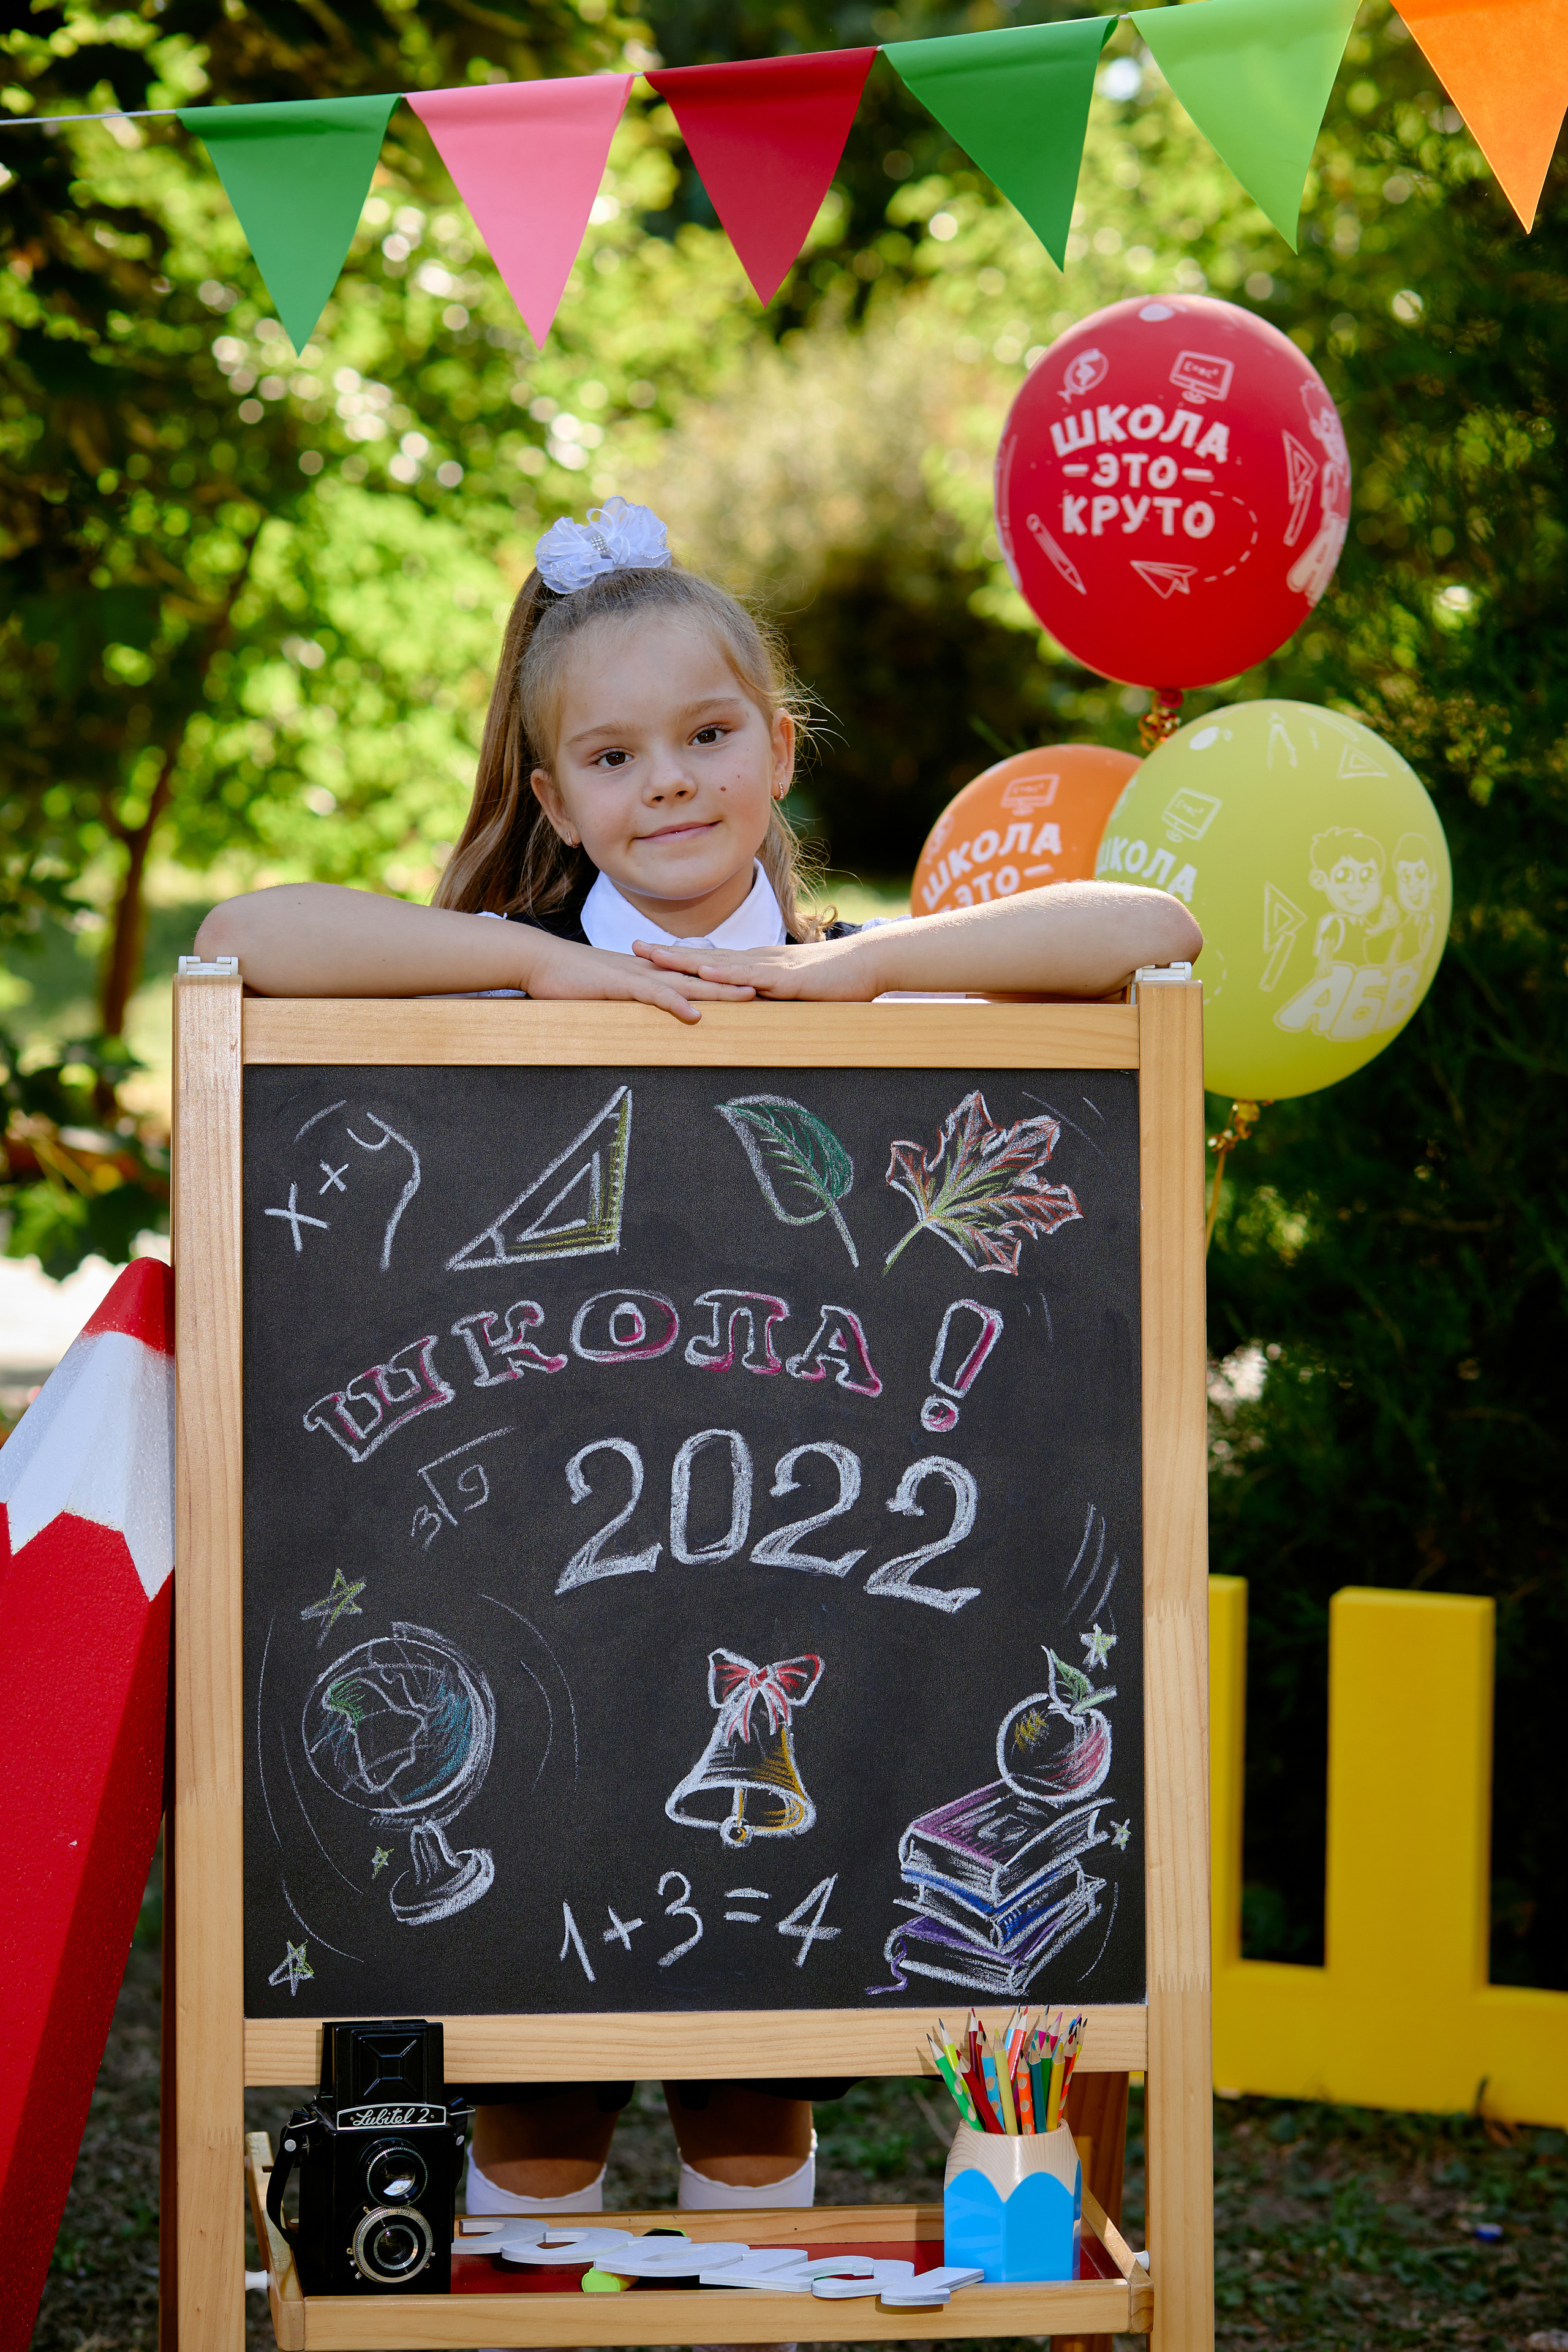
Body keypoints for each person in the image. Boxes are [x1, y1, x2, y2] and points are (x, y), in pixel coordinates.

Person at [197, 497, 1199, 2225]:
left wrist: (859, 977)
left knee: (752, 2111)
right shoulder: (497, 1013)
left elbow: (1153, 938)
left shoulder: (855, 1001)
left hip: (821, 1687)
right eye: (612, 753)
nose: (666, 781)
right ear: (555, 798)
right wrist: (529, 965)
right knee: (534, 2116)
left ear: (779, 748)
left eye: (708, 735)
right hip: (545, 1689)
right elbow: (245, 935)